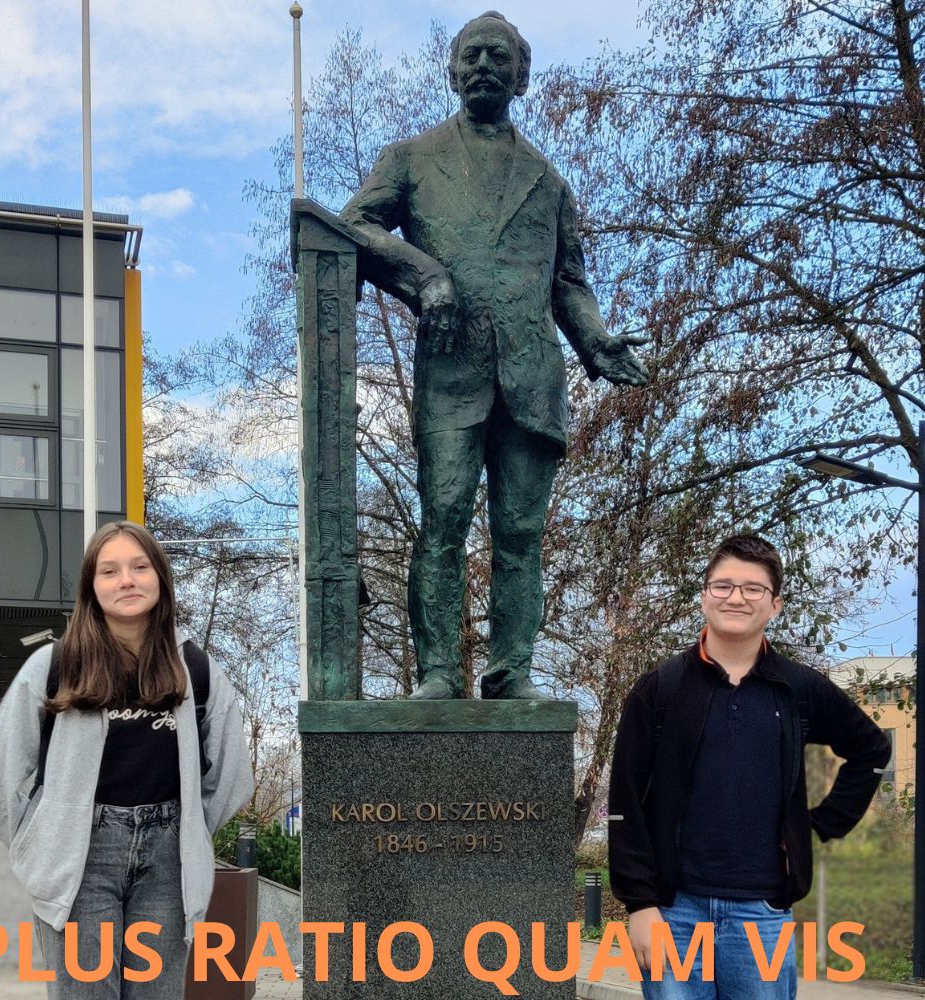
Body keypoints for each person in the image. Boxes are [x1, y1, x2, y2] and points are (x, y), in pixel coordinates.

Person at [340, 10, 648, 701]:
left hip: (532, 377)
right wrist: (426, 276)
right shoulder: (411, 158)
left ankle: (511, 670)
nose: (484, 65)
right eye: (472, 55)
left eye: (498, 56)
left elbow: (569, 282)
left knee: (520, 534)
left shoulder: (548, 181)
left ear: (521, 76)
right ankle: (439, 673)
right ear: (452, 72)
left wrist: (597, 339)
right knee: (444, 520)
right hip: (453, 373)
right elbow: (355, 224)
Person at [0, 521, 254, 998]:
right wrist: (39, 841)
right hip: (79, 861)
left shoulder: (195, 669)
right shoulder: (56, 665)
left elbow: (233, 774)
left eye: (140, 567)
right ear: (91, 586)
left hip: (168, 864)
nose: (127, 581)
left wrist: (191, 832)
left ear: (160, 578)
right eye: (110, 571)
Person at [608, 534, 891, 999]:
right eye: (722, 586)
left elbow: (871, 749)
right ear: (704, 596)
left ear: (774, 605)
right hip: (674, 913)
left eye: (753, 588)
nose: (736, 597)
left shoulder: (798, 688)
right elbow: (625, 801)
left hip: (762, 913)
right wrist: (639, 905)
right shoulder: (660, 688)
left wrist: (822, 823)